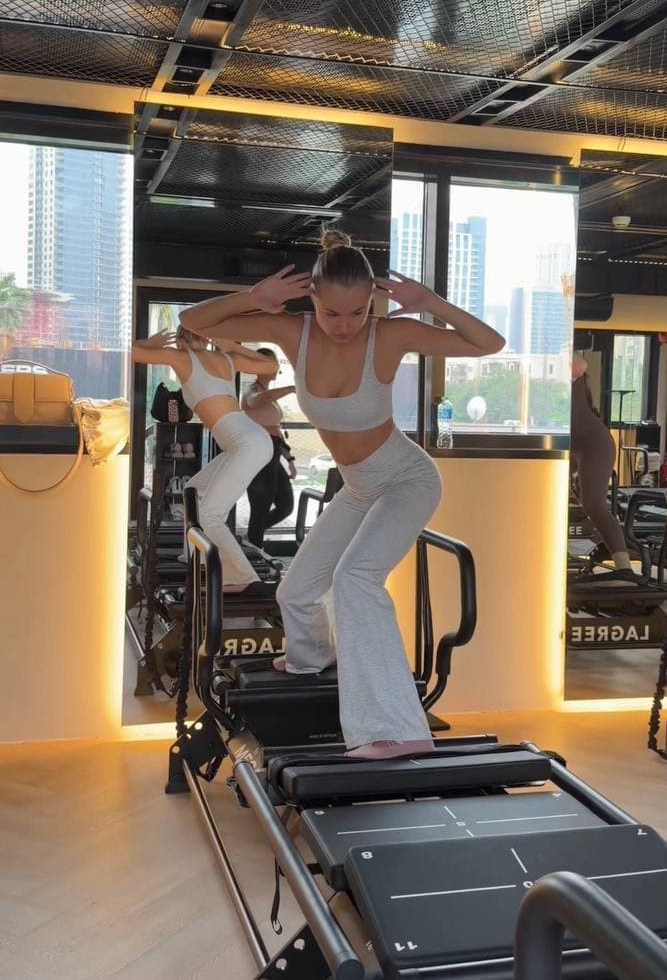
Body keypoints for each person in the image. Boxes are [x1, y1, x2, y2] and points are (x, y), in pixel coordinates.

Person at [179, 229, 505, 759]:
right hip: (358, 488)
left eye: (358, 313)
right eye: (334, 314)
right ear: (313, 300)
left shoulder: (391, 335)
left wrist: (431, 304)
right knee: (297, 589)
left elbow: (489, 344)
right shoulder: (293, 332)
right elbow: (192, 322)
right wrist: (252, 299)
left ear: (372, 305)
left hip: (405, 480)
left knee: (354, 580)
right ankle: (311, 659)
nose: (347, 325)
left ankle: (397, 729)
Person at [132, 326, 278, 597]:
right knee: (194, 491)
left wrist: (149, 342)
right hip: (249, 439)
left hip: (246, 442)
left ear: (183, 339)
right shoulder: (225, 358)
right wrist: (233, 348)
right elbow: (270, 364)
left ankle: (244, 577)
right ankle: (194, 553)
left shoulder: (184, 357)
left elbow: (132, 353)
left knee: (210, 513)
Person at [571, 355, 635, 580]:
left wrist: (558, 355)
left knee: (594, 504)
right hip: (569, 447)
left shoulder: (568, 368)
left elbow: (580, 364)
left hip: (594, 444)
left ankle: (624, 568)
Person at [241, 348, 297, 549]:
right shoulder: (252, 390)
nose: (276, 368)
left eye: (276, 364)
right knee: (260, 507)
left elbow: (277, 432)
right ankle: (254, 547)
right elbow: (257, 401)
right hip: (258, 455)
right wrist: (290, 389)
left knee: (286, 506)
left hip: (273, 454)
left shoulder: (267, 395)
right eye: (271, 364)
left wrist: (290, 461)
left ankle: (251, 538)